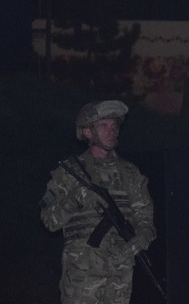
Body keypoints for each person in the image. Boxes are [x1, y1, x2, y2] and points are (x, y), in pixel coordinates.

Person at [40, 100, 157, 304]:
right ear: (87, 132)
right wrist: (75, 199)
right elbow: (48, 220)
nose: (111, 131)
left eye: (114, 125)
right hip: (82, 276)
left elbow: (145, 217)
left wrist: (143, 236)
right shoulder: (69, 172)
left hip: (119, 275)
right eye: (103, 125)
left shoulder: (130, 173)